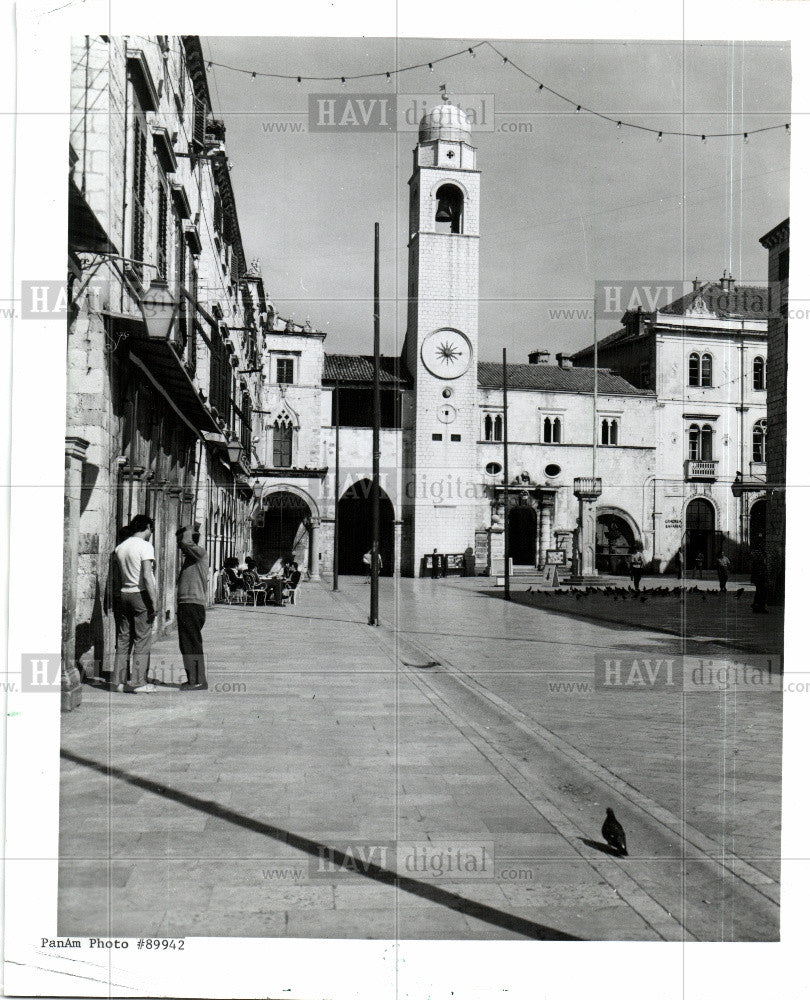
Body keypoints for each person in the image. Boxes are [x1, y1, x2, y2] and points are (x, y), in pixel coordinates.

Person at [113, 514, 157, 693]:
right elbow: (147, 575)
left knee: (123, 639)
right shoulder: (146, 546)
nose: (150, 533)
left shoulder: (120, 547)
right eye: (150, 529)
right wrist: (154, 602)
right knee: (142, 639)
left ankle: (118, 681)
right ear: (146, 527)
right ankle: (138, 682)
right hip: (140, 595)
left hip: (124, 594)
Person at [176, 524, 209, 691]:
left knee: (191, 644)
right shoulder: (191, 558)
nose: (179, 545)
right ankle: (193, 679)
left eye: (180, 542)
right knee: (186, 644)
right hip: (187, 605)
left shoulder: (199, 554)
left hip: (192, 605)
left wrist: (189, 528)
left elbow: (187, 542)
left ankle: (197, 681)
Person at [751, 537, 769, 613]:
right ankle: (759, 607)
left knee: (759, 591)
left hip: (758, 576)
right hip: (760, 576)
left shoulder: (755, 553)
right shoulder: (759, 554)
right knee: (762, 591)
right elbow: (759, 565)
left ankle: (756, 605)